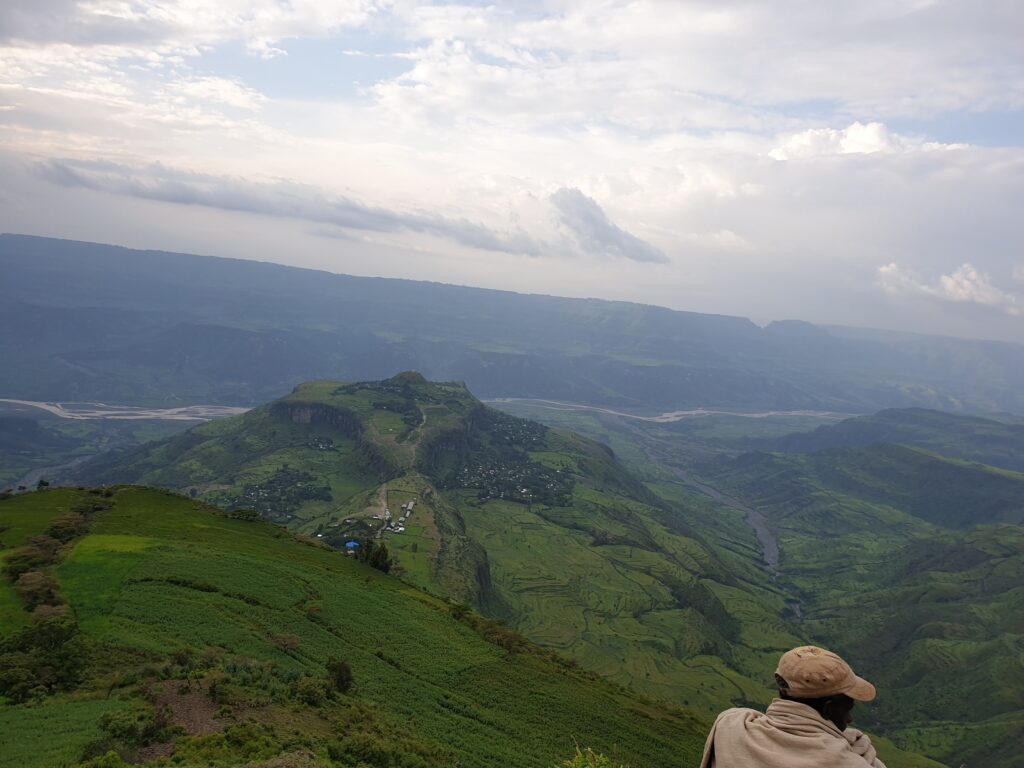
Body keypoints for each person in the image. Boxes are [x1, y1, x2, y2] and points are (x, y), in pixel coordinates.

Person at [699, 645, 886, 768]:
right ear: (828, 709)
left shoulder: (731, 724)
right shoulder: (849, 763)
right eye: (848, 709)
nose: (849, 719)